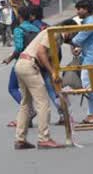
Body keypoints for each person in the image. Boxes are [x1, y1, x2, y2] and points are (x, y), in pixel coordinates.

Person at [13, 19, 77, 150]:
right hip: (29, 64)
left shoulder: (56, 37)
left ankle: (20, 139)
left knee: (26, 104)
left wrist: (53, 74)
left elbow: (48, 57)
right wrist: (52, 72)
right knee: (43, 103)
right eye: (74, 33)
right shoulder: (54, 33)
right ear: (67, 29)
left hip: (22, 64)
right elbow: (41, 52)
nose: (73, 36)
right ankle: (44, 138)